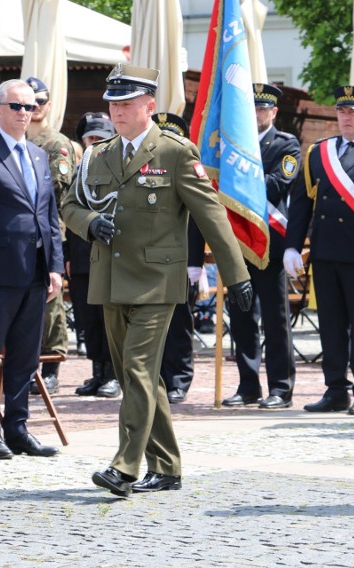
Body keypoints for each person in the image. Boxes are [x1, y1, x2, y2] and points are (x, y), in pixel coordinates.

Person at [61, 63, 252, 496]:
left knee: (138, 368)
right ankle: (166, 467)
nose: (117, 111)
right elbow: (69, 206)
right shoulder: (98, 153)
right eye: (113, 103)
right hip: (109, 279)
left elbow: (211, 215)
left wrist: (235, 274)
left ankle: (125, 466)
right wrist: (90, 223)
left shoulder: (175, 151)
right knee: (139, 378)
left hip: (155, 281)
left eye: (126, 103)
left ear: (149, 106)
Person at [0, 79, 64, 459]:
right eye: (18, 106)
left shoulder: (38, 155)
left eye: (32, 105)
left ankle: (17, 427)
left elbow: (49, 215)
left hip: (36, 271)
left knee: (25, 356)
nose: (26, 113)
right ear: (0, 109)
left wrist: (55, 265)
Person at [284, 84, 354, 416]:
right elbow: (302, 202)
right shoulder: (320, 152)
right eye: (342, 112)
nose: (346, 118)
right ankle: (335, 389)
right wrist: (292, 246)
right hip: (326, 251)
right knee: (330, 324)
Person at [222, 83, 299, 409]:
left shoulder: (286, 144)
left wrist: (240, 183)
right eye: (251, 108)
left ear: (273, 112)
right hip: (239, 241)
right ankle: (248, 384)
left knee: (275, 318)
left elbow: (278, 184)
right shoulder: (233, 144)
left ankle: (281, 387)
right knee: (241, 317)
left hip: (271, 243)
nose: (256, 114)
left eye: (262, 109)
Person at [24, 76, 76, 395]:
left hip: (50, 231)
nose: (34, 108)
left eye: (40, 102)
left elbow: (61, 194)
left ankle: (52, 365)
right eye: (29, 103)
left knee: (51, 301)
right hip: (20, 234)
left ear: (48, 105)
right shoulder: (18, 140)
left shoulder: (56, 144)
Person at [150, 112, 206, 404]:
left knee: (179, 321)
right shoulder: (144, 166)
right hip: (148, 257)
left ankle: (179, 379)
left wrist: (195, 263)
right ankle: (156, 377)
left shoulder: (187, 166)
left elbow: (200, 217)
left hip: (181, 257)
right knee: (152, 321)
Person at [68, 111, 120, 398]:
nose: (94, 142)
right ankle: (97, 373)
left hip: (106, 254)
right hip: (79, 256)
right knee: (88, 319)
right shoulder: (79, 168)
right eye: (89, 138)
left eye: (100, 138)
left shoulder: (115, 167)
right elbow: (66, 212)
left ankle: (112, 374)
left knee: (107, 319)